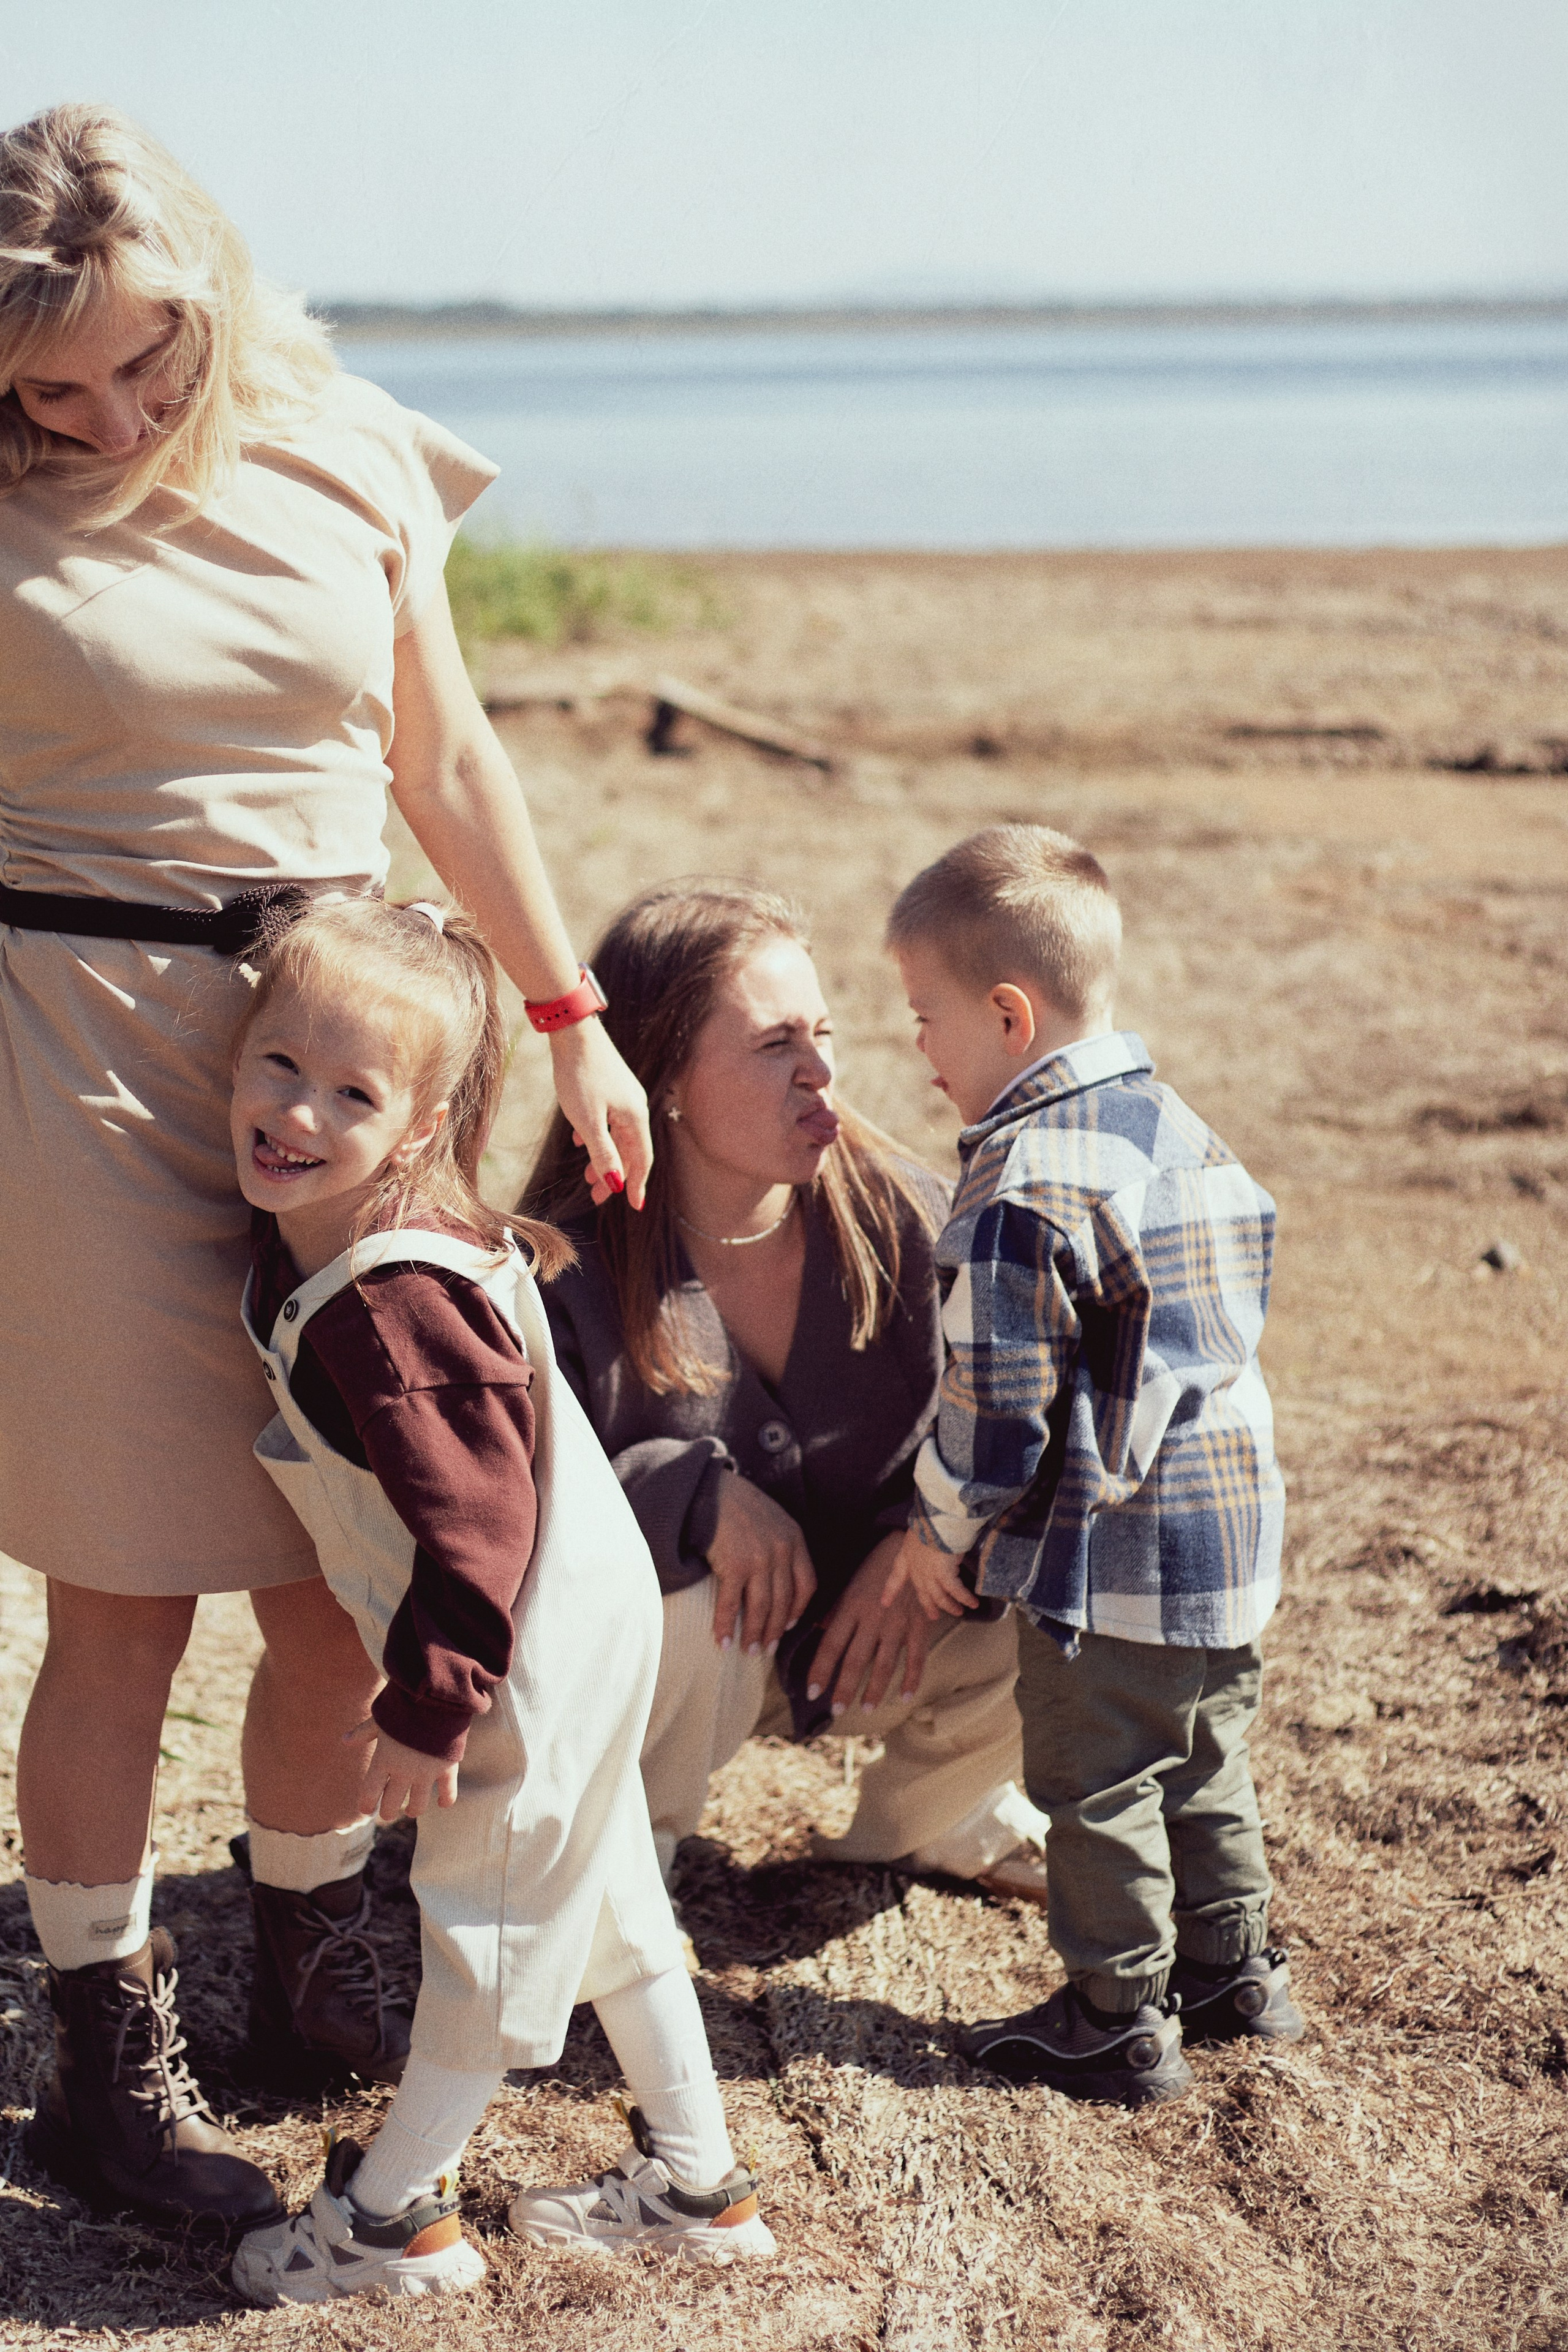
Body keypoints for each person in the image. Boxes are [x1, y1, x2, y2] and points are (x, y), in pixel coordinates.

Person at [0, 104, 651, 2234]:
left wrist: (568, 1018)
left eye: (139, 361)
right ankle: (106, 2052)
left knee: (331, 1582)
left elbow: (443, 752)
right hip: (75, 1063)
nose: (100, 413)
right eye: (48, 387)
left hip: (350, 1052)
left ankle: (303, 1953)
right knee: (126, 1601)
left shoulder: (350, 444)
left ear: (211, 287)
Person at [226, 896, 775, 2304]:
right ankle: (700, 2186)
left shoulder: (390, 1298)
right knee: (599, 1906)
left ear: (414, 1129)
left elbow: (476, 1528)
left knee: (490, 1931)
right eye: (275, 1062)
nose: (294, 1111)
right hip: (580, 1626)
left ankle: (393, 2222)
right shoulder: (391, 1233)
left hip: (519, 1651)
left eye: (348, 1092)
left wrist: (428, 1705)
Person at [523, 881, 1050, 1942]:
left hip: (889, 1640)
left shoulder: (913, 1218)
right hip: (679, 1668)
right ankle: (629, 1856)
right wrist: (688, 1494)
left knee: (1072, 1563)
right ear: (659, 1075)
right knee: (663, 1570)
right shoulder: (559, 1264)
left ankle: (934, 1814)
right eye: (774, 1045)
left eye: (823, 1034)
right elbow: (518, 1510)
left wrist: (926, 1539)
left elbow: (1027, 1423)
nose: (821, 1071)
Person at [882, 824, 1303, 2109]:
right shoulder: (1172, 1124)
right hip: (1229, 1528)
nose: (915, 1045)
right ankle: (1232, 1971)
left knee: (1094, 1775)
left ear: (1007, 1014)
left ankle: (1115, 2013)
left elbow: (997, 1421)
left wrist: (934, 1531)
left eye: (923, 1014)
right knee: (1200, 1750)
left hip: (1109, 1549)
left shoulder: (1015, 1186)